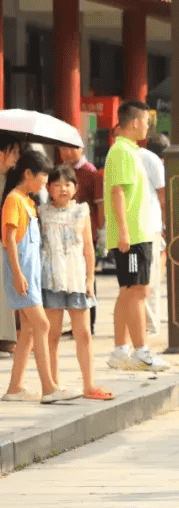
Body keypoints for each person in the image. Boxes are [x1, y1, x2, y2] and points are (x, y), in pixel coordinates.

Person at [2, 150, 79, 403]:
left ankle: (15, 388)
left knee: (28, 332)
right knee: (43, 325)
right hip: (22, 276)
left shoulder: (27, 201)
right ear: (28, 175)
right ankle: (48, 387)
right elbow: (10, 240)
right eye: (44, 180)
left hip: (29, 276)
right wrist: (17, 274)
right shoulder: (14, 200)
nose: (46, 186)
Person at [103, 100, 169, 372]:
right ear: (134, 123)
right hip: (133, 236)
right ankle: (140, 350)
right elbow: (117, 192)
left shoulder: (130, 151)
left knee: (130, 291)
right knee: (138, 291)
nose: (147, 127)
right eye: (145, 121)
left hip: (137, 233)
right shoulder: (122, 151)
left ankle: (121, 350)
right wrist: (124, 233)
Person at [39, 165, 113, 400]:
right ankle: (54, 385)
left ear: (75, 188)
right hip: (50, 279)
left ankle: (89, 385)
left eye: (68, 184)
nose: (63, 189)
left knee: (84, 334)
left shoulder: (82, 212)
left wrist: (90, 279)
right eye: (57, 184)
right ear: (48, 188)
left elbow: (89, 250)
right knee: (52, 336)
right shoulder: (41, 212)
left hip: (77, 280)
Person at [59, 143, 104, 335]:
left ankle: (88, 324)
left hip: (86, 233)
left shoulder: (91, 172)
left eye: (72, 148)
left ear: (82, 149)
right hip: (63, 232)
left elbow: (99, 205)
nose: (68, 153)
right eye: (64, 149)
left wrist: (100, 230)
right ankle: (74, 323)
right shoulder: (60, 172)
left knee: (87, 278)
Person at [139, 131, 167, 336]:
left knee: (134, 280)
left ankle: (140, 321)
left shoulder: (127, 155)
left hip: (133, 230)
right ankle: (150, 322)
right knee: (152, 278)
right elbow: (163, 196)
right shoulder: (155, 162)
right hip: (152, 228)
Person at [0, 133, 24, 357]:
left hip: (5, 241)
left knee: (4, 288)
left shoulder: (14, 179)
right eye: (13, 152)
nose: (16, 157)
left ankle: (6, 337)